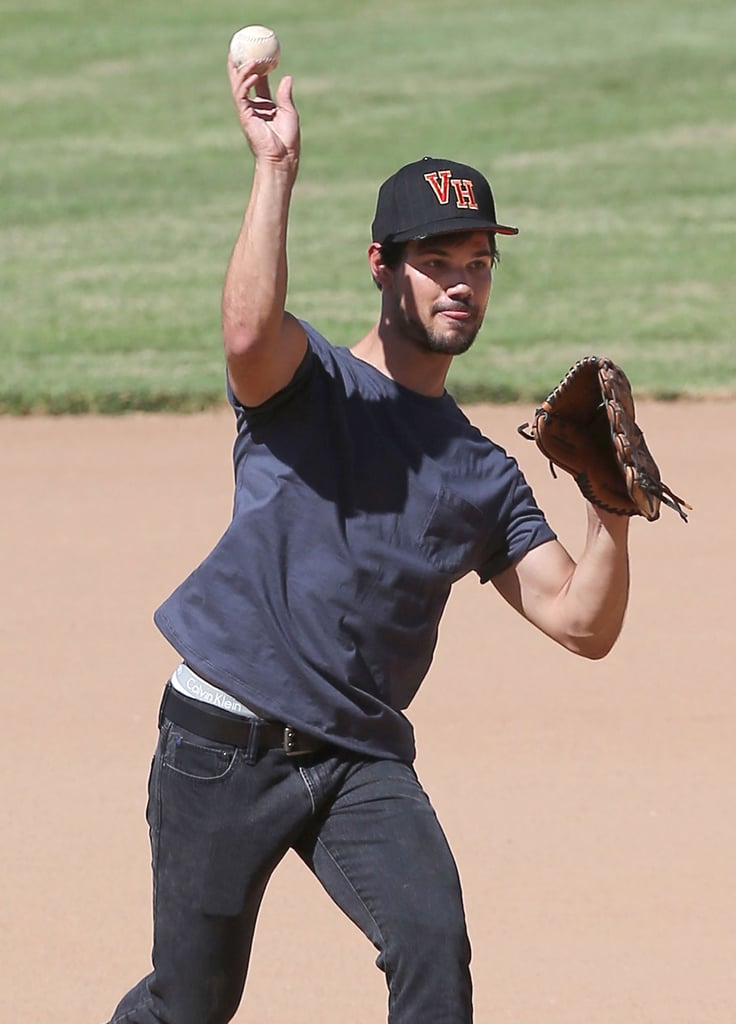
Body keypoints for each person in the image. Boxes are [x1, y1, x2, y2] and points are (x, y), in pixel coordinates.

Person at [104, 56, 630, 1024]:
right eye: (437, 259)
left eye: (478, 263)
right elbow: (244, 330)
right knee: (191, 1002)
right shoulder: (309, 383)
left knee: (434, 951)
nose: (461, 283)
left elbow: (579, 621)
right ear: (383, 264)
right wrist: (276, 168)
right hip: (222, 737)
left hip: (355, 756)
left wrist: (607, 506)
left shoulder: (480, 468)